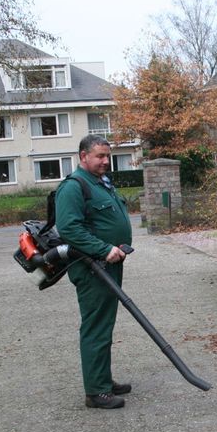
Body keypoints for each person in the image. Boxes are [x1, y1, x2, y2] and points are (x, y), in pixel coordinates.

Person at [56, 134, 133, 409]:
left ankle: (103, 379)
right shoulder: (74, 187)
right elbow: (70, 228)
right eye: (99, 156)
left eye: (107, 156)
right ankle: (96, 392)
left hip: (109, 265)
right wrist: (103, 249)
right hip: (92, 268)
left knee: (105, 324)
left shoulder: (100, 183)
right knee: (96, 326)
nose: (104, 161)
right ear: (83, 156)